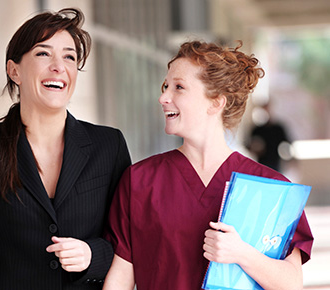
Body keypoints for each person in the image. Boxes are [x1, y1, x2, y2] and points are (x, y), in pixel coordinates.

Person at [0, 8, 131, 290]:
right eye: (43, 54)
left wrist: (92, 255)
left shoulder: (109, 145)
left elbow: (129, 243)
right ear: (14, 70)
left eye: (69, 56)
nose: (59, 66)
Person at [103, 41, 313, 290]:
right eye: (165, 86)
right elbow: (120, 278)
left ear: (216, 103)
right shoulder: (139, 180)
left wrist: (241, 254)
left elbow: (292, 284)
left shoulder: (272, 188)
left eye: (179, 87)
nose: (163, 98)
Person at [246, 102, 291, 171]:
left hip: (275, 164)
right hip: (261, 164)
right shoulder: (257, 130)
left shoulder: (278, 129)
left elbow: (287, 144)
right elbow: (248, 145)